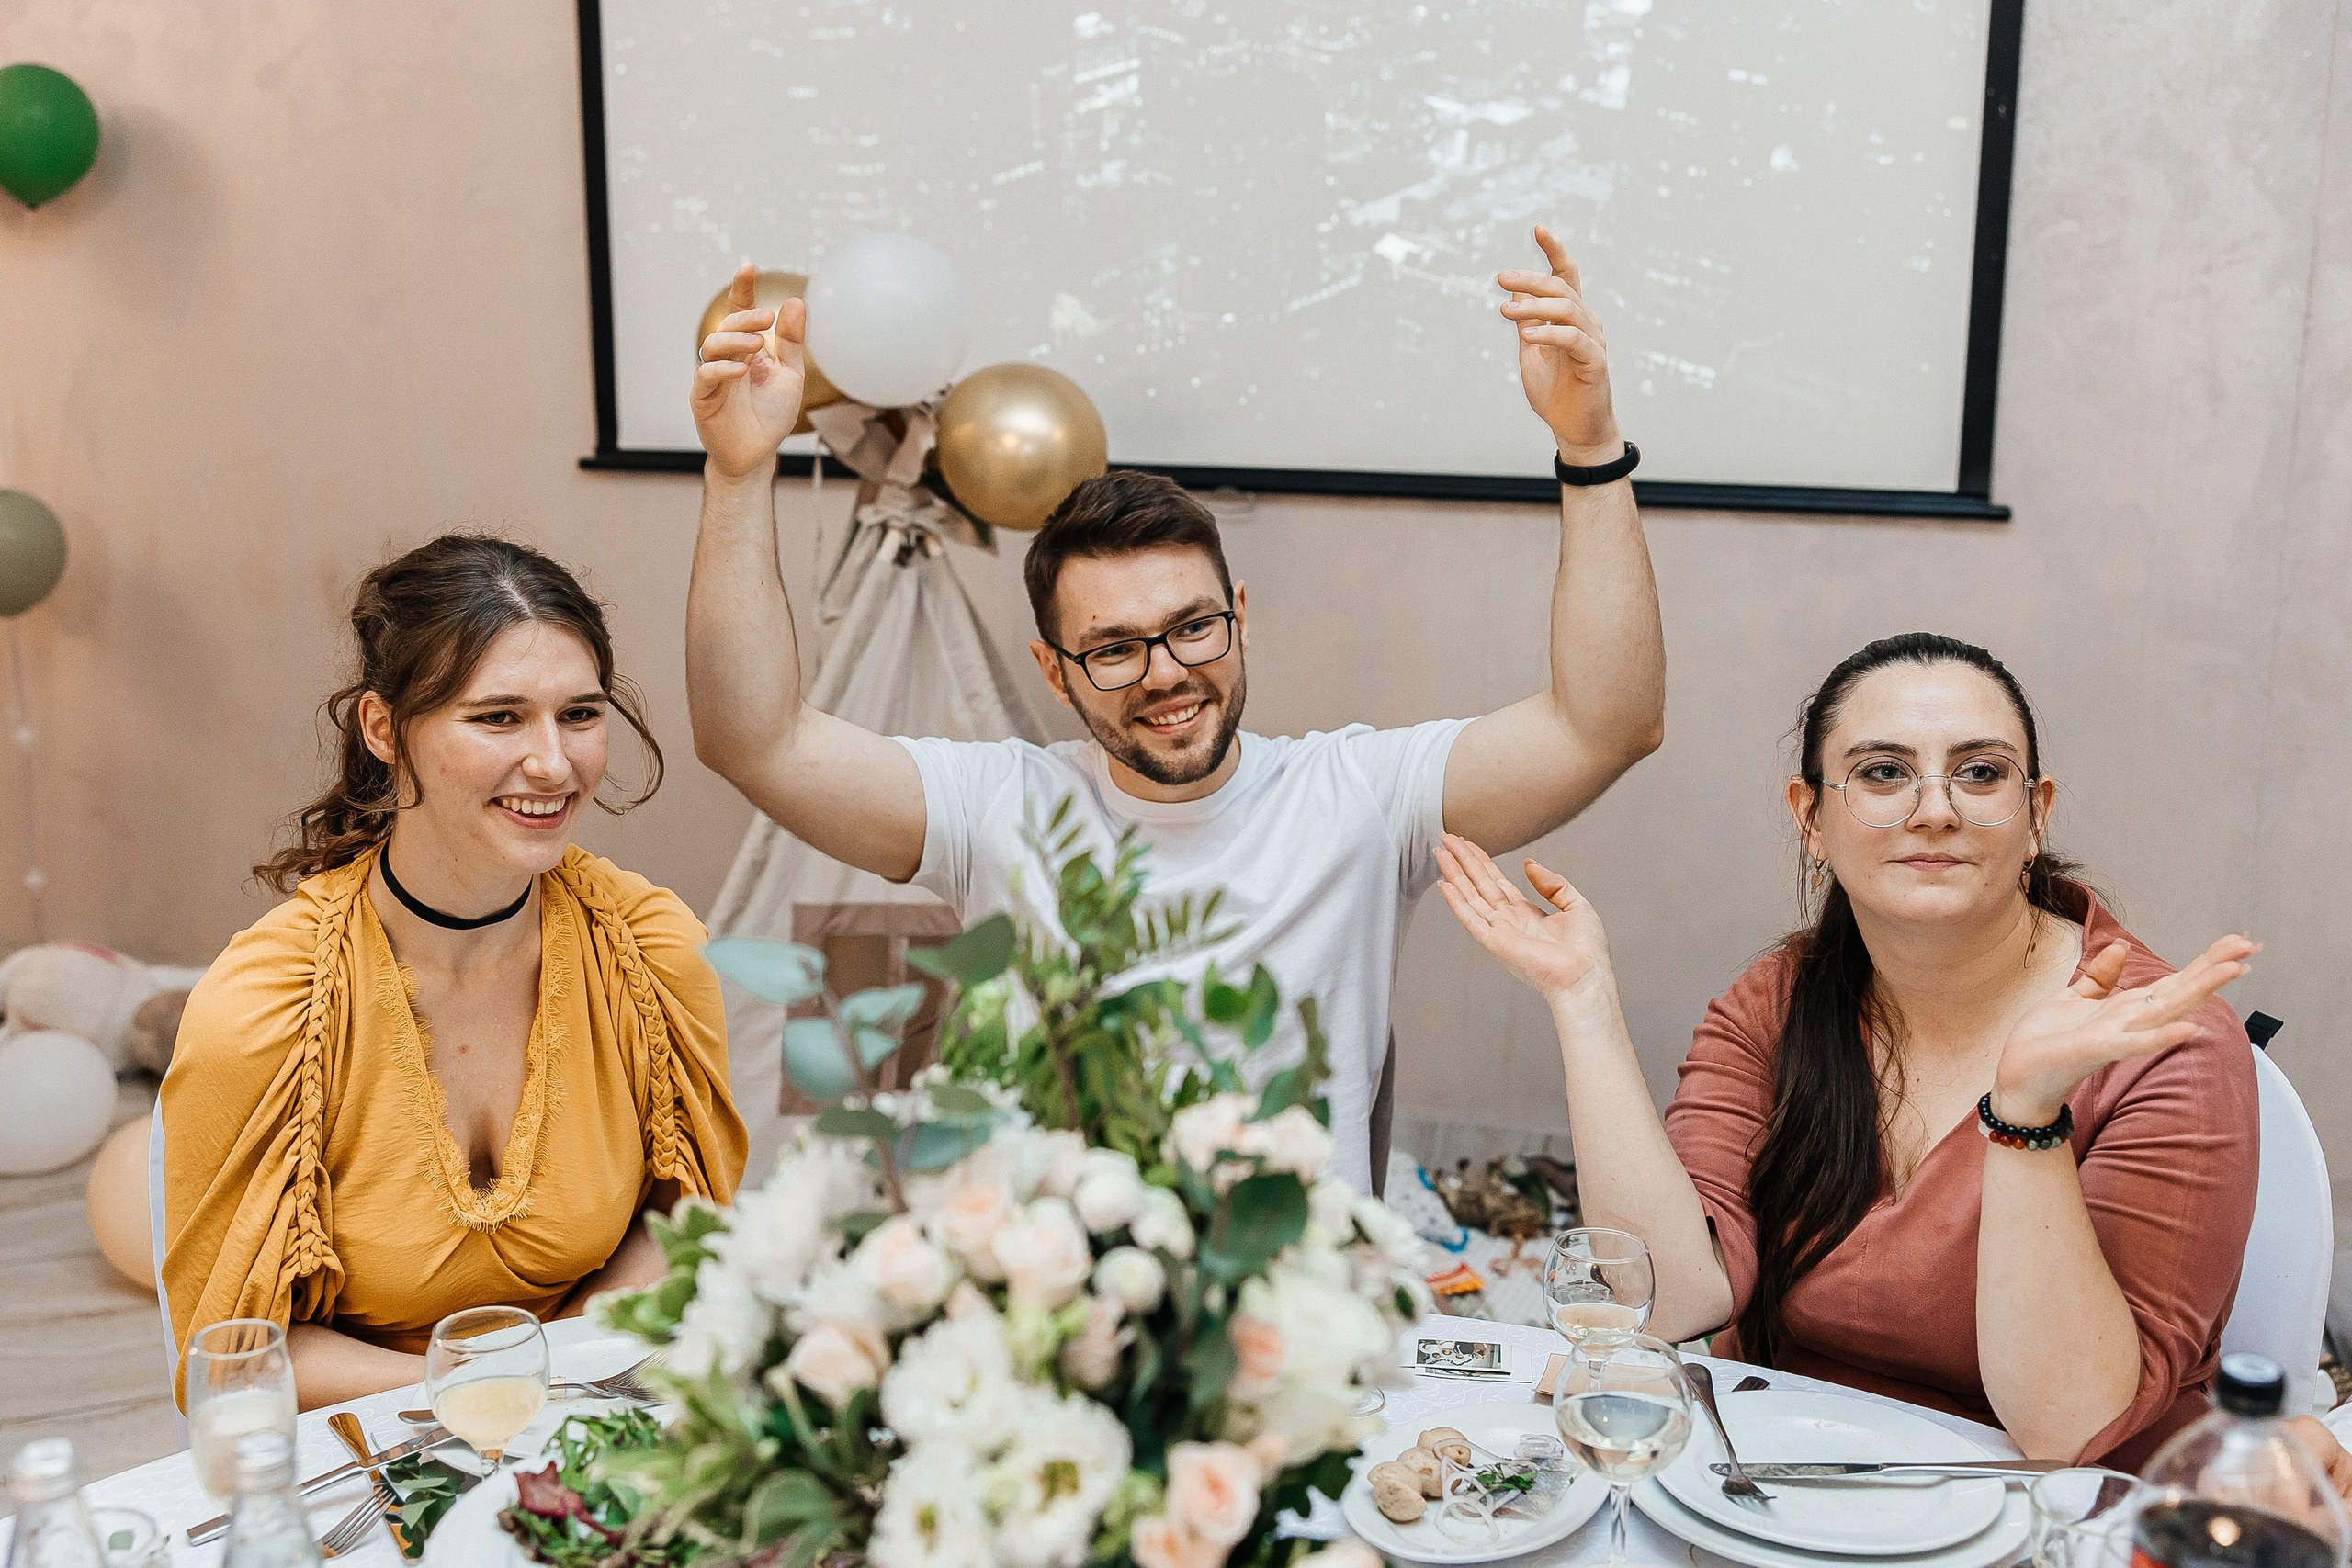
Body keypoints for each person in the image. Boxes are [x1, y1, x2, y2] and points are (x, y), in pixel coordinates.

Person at [684, 231, 1666, 1190]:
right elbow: (754, 740)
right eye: (1112, 649)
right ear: (1054, 670)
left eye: (1192, 627)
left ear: (1237, 616)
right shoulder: (995, 805)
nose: (1164, 673)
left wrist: (1587, 446)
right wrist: (738, 474)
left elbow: (1604, 725)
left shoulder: (1359, 796)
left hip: (1299, 1322)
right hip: (1053, 1316)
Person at [1435, 632, 2269, 1469]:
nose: (1935, 809)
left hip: (2046, 1513)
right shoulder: (1779, 997)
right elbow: (1671, 1296)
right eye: (1882, 772)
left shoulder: (2170, 1044)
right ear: (1811, 818)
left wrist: (2028, 1116)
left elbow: (2069, 1427)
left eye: (1980, 773)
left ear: (2036, 812)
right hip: (1773, 1485)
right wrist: (1582, 1001)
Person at [160, 536, 746, 1408]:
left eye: (580, 714)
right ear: (383, 728)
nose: (553, 763)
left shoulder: (651, 955)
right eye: (499, 717)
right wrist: (493, 1385)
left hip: (600, 1399)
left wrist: (561, 1372)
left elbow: (686, 1222)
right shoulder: (264, 1009)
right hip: (360, 1444)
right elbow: (235, 1360)